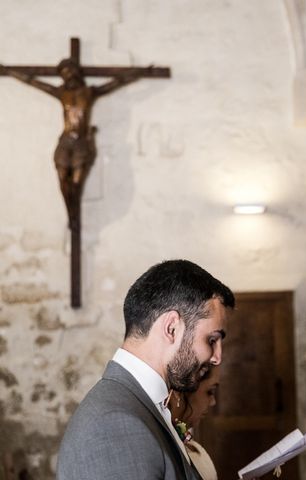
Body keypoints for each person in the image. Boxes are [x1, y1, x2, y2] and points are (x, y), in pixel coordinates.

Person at [56, 259, 235, 480]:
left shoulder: (140, 404)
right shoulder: (115, 424)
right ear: (171, 328)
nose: (217, 357)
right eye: (212, 339)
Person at [1, 58, 150, 227]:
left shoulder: (89, 92)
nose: (68, 76)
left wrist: (141, 72)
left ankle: (74, 215)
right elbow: (32, 81)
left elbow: (118, 82)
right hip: (65, 142)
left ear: (77, 73)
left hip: (81, 144)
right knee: (63, 179)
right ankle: (71, 215)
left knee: (77, 183)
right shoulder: (60, 93)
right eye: (64, 73)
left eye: (70, 71)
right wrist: (8, 71)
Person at [168, 366, 221, 480]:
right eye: (209, 391)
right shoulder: (160, 447)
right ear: (182, 390)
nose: (213, 402)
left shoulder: (195, 449)